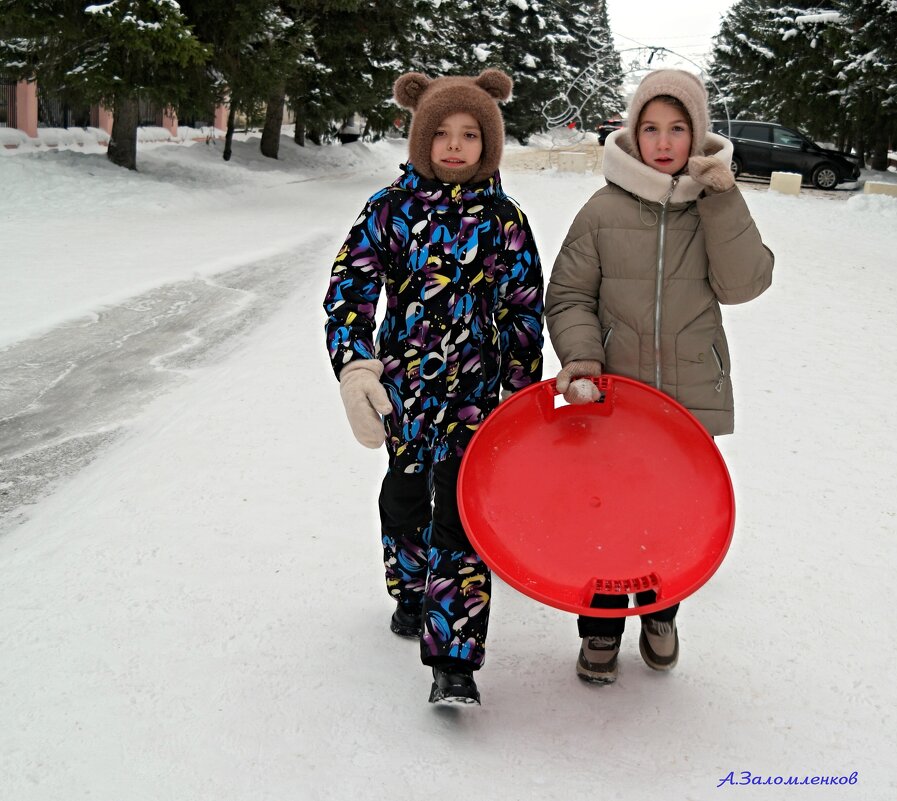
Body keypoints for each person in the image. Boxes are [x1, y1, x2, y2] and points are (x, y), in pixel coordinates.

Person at [545, 69, 774, 685]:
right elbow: (567, 295)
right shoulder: (602, 210)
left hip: (687, 397)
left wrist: (723, 197)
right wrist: (583, 359)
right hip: (613, 398)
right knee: (604, 514)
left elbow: (745, 284)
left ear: (696, 135)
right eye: (651, 127)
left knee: (670, 519)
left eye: (678, 128)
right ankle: (598, 627)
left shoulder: (713, 204)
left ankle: (659, 613)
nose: (664, 141)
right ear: (633, 133)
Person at [323, 69, 544, 705]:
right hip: (406, 391)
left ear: (489, 142)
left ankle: (455, 660)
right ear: (421, 138)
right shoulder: (389, 211)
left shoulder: (504, 219)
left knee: (460, 517)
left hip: (476, 398)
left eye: (470, 134)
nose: (454, 145)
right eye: (441, 133)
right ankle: (410, 591)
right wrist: (356, 366)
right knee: (405, 497)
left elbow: (523, 310)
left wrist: (520, 395)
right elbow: (351, 289)